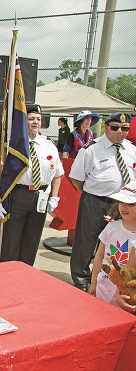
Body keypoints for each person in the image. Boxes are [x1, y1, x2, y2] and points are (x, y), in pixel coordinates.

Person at [69, 112, 136, 291]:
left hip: (123, 204)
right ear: (106, 127)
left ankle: (112, 279)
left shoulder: (131, 150)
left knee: (117, 242)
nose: (119, 132)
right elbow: (76, 178)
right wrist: (92, 193)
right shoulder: (91, 149)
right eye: (114, 127)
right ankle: (81, 279)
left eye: (124, 128)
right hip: (96, 201)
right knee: (86, 241)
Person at [0, 104, 63, 266]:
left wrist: (55, 197)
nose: (35, 122)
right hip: (19, 194)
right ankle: (7, 272)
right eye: (31, 119)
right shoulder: (13, 145)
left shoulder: (49, 145)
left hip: (41, 196)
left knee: (32, 239)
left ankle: (25, 272)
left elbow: (58, 174)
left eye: (38, 119)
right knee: (12, 239)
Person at [89, 183, 136, 307]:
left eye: (130, 203)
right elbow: (99, 255)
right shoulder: (112, 227)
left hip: (126, 292)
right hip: (103, 285)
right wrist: (93, 283)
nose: (123, 207)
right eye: (121, 202)